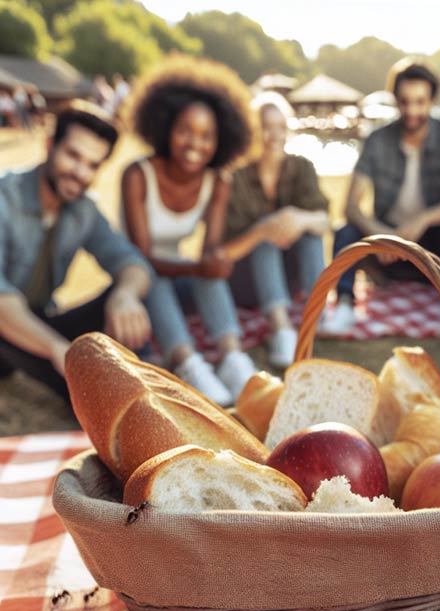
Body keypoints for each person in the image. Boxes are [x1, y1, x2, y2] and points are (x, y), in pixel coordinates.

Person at [121, 55, 257, 406]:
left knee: (209, 274)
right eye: (185, 131)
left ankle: (231, 357)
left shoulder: (217, 182)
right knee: (155, 274)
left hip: (179, 274)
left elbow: (208, 253)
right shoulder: (138, 175)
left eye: (206, 136)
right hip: (135, 279)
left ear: (221, 139)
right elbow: (142, 254)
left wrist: (211, 263)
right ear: (166, 128)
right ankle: (187, 362)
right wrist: (198, 266)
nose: (194, 144)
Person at [0, 102, 152, 399]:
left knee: (123, 296)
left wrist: (126, 294)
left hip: (39, 321)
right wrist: (61, 351)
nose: (81, 172)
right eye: (73, 156)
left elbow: (132, 261)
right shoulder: (5, 196)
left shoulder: (84, 209)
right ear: (49, 145)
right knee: (87, 385)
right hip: (5, 325)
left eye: (94, 164)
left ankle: (113, 385)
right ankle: (96, 393)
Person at [322, 58, 440, 338]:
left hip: (434, 246)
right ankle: (346, 305)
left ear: (432, 100)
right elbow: (350, 205)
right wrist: (383, 235)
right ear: (396, 101)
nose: (412, 110)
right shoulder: (377, 140)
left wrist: (424, 219)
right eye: (405, 101)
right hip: (387, 246)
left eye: (420, 101)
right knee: (345, 231)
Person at [216, 92, 329, 369]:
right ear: (252, 132)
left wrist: (300, 219)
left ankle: (317, 316)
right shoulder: (235, 177)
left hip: (288, 281)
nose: (274, 135)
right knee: (266, 238)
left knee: (309, 232)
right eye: (266, 127)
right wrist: (262, 231)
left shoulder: (302, 167)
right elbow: (222, 253)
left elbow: (325, 222)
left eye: (281, 127)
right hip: (244, 282)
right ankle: (280, 330)